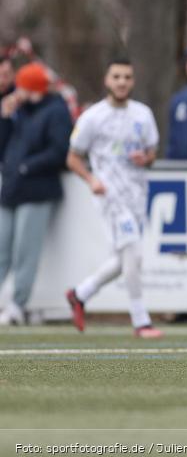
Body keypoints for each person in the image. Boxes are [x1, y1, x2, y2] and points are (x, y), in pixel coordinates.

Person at [64, 59, 163, 338]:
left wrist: (147, 158)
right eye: (116, 76)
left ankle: (79, 294)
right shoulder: (93, 117)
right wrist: (92, 179)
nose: (121, 82)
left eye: (127, 77)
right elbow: (72, 158)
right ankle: (141, 321)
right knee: (134, 253)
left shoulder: (143, 115)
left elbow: (152, 153)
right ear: (107, 81)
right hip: (110, 196)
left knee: (124, 261)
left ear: (133, 81)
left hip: (136, 195)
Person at [0, 63, 72, 325]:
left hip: (37, 190)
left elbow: (59, 150)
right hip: (11, 189)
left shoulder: (55, 110)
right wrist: (5, 118)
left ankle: (17, 305)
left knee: (24, 251)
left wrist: (26, 166)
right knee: (2, 249)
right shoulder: (20, 112)